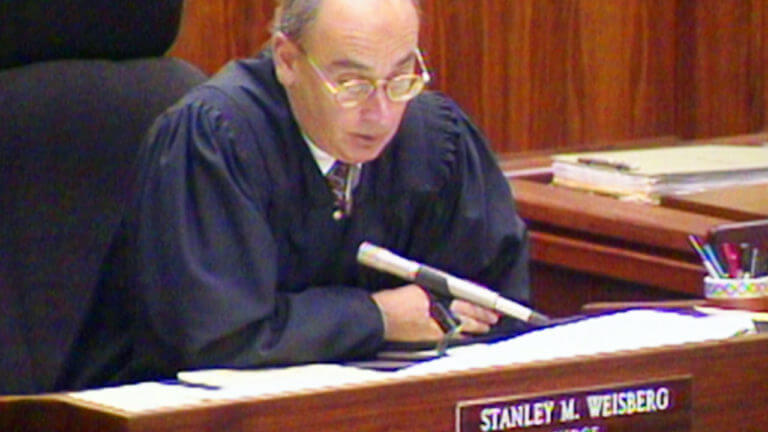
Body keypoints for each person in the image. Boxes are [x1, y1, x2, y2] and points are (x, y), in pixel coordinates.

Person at [57, 0, 532, 390]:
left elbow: (496, 306)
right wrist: (376, 318)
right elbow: (212, 338)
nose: (381, 112)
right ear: (287, 60)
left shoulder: (436, 140)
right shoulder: (215, 139)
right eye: (351, 83)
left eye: (401, 77)